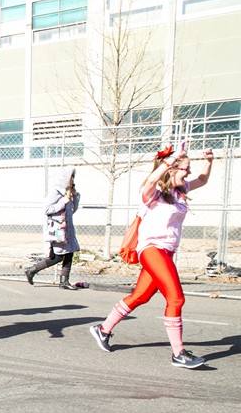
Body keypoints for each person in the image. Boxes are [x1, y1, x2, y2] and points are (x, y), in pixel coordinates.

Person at [90, 147, 214, 369]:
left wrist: (209, 161)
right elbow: (150, 182)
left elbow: (203, 180)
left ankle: (102, 329)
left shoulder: (179, 189)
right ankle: (178, 353)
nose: (188, 173)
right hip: (151, 249)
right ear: (171, 169)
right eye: (185, 168)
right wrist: (170, 160)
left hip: (166, 251)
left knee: (140, 296)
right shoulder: (153, 192)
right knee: (176, 299)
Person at [25, 166, 80, 290]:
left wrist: (75, 197)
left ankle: (64, 281)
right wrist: (63, 202)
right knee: (57, 257)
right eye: (71, 177)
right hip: (57, 229)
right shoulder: (56, 192)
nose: (72, 179)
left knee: (69, 253)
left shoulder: (69, 192)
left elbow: (72, 210)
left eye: (73, 177)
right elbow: (46, 209)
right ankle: (31, 270)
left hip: (67, 229)